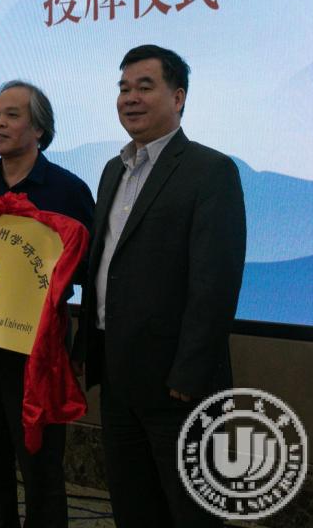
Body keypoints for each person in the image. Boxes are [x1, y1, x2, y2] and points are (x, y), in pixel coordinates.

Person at [74, 45, 246, 528]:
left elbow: (215, 284)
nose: (130, 98)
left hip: (177, 385)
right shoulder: (113, 170)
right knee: (134, 508)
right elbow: (105, 266)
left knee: (191, 514)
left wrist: (187, 377)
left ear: (178, 97)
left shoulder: (210, 171)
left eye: (144, 87)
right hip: (118, 376)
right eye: (124, 88)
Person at [0, 80, 94, 528]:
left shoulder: (67, 190)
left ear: (39, 129)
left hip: (39, 353)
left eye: (12, 115)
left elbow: (91, 273)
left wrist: (82, 346)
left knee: (40, 469)